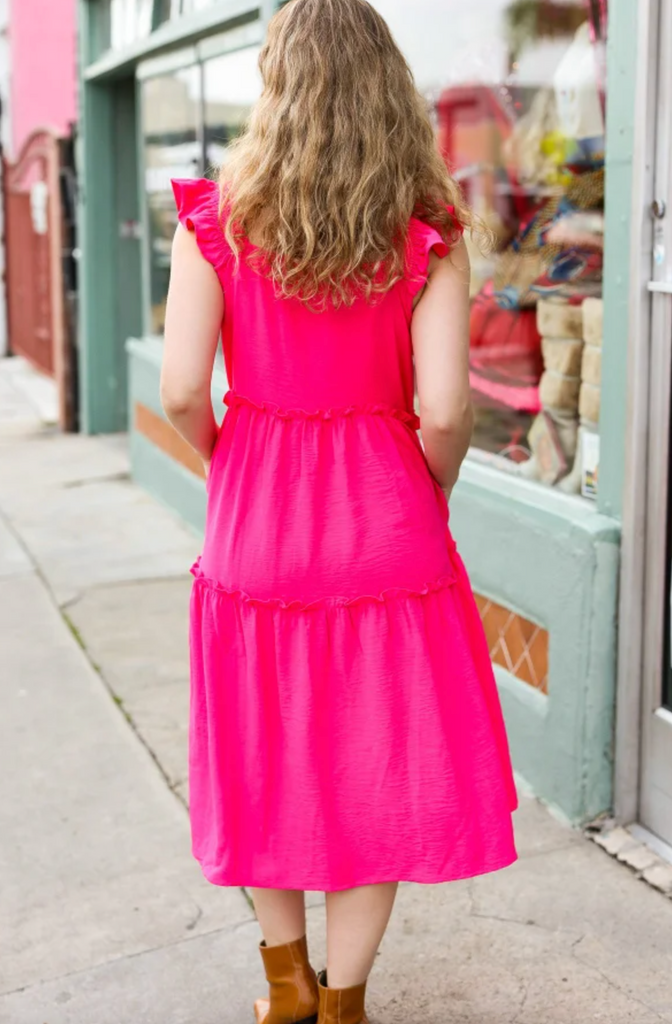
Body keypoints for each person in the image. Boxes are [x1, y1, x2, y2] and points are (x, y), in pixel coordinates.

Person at [160, 1, 518, 1020]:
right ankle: (346, 1002)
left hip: (255, 517)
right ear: (385, 92)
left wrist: (233, 466)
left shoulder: (215, 222)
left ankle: (286, 988)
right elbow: (447, 407)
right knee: (380, 761)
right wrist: (426, 488)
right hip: (386, 516)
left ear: (275, 87)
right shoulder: (425, 235)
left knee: (260, 755)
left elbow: (184, 387)